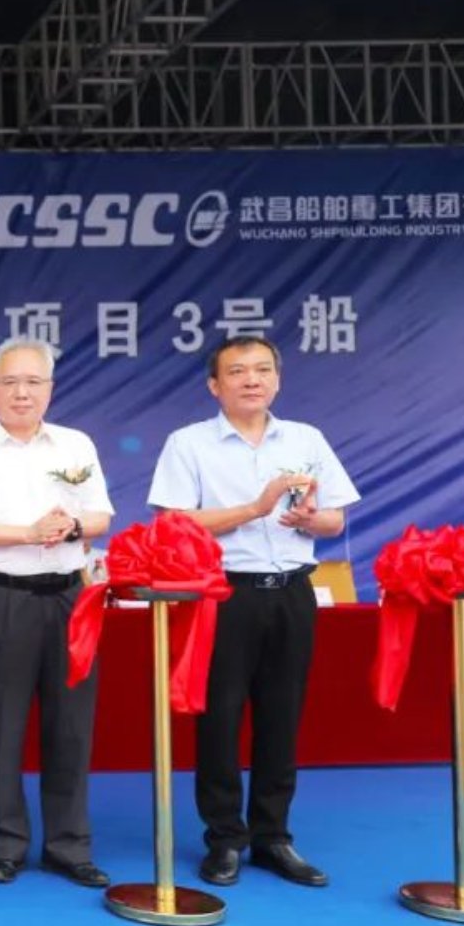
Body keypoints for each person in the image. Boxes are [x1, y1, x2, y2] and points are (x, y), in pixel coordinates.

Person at [148, 334, 358, 888]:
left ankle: (272, 837)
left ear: (278, 380)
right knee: (218, 718)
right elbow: (172, 523)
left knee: (281, 716)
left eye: (263, 370)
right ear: (214, 386)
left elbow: (335, 519)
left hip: (292, 590)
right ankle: (224, 839)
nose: (252, 380)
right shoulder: (189, 443)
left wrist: (311, 520)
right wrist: (254, 508)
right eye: (238, 371)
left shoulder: (306, 438)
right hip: (224, 594)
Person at [0, 338, 114, 888]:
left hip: (69, 596)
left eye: (33, 382)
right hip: (0, 596)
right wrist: (28, 533)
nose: (21, 393)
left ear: (50, 390)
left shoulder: (76, 444)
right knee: (0, 725)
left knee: (72, 726)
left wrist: (73, 527)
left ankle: (69, 845)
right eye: (10, 382)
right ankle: (4, 843)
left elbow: (101, 516)